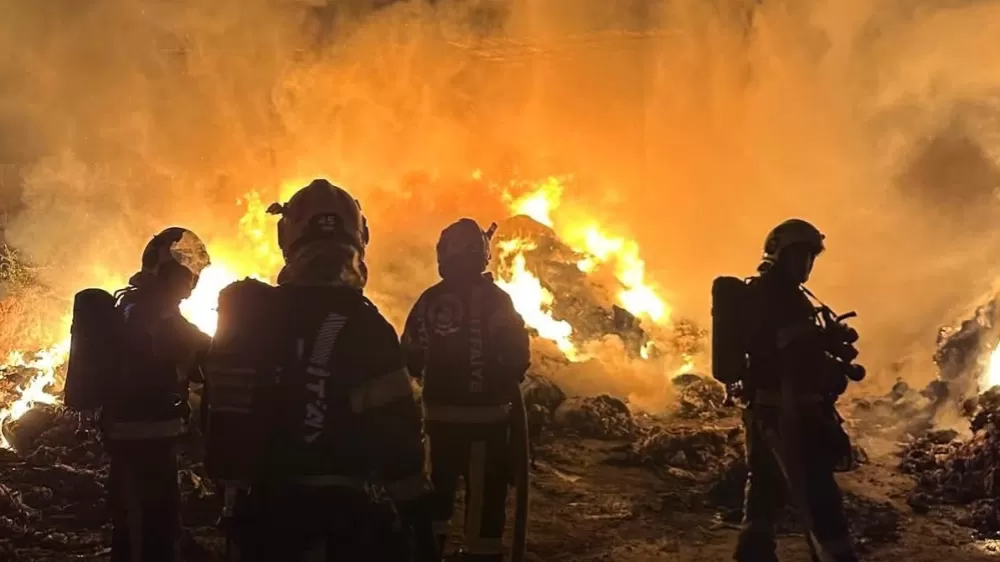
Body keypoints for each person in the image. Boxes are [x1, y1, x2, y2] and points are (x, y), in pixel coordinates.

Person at [202, 178, 435, 561]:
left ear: (287, 239)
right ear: (359, 238)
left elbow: (217, 421)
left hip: (262, 518)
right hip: (342, 522)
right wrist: (417, 517)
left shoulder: (251, 318)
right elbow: (399, 437)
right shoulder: (366, 327)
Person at [727, 219, 859, 562]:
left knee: (764, 489)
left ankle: (753, 555)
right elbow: (790, 354)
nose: (806, 265)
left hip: (770, 413)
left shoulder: (779, 294)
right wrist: (826, 350)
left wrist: (827, 345)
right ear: (778, 254)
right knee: (819, 494)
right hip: (790, 415)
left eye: (811, 257)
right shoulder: (775, 295)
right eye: (800, 255)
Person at [401, 218, 531, 562]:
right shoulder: (496, 300)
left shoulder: (429, 301)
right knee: (485, 513)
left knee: (432, 505)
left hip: (437, 427)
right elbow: (517, 354)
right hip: (487, 429)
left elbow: (410, 355)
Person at [104, 227, 212, 562]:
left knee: (160, 520)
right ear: (171, 271)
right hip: (138, 436)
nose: (191, 282)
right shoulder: (143, 309)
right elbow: (185, 344)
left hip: (155, 434)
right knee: (141, 527)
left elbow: (191, 349)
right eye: (188, 272)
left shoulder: (151, 307)